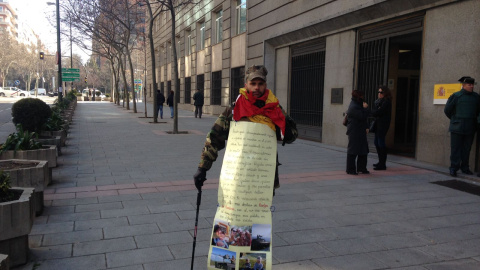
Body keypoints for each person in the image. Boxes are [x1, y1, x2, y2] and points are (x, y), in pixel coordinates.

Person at [193, 65, 298, 193]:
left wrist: (283, 130)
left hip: (264, 175)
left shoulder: (275, 108)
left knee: (261, 211)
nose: (256, 87)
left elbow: (292, 134)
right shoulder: (234, 109)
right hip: (239, 174)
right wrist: (202, 168)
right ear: (246, 84)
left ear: (265, 85)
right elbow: (214, 137)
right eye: (253, 83)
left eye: (260, 83)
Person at [444, 76, 478, 177]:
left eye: (472, 84)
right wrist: (455, 120)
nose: (471, 86)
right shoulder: (456, 96)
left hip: (470, 127)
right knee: (455, 148)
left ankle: (465, 167)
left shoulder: (476, 97)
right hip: (457, 127)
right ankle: (454, 168)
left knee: (467, 149)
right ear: (463, 85)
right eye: (469, 85)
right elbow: (447, 110)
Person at [346, 90, 370, 175]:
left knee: (363, 150)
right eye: (362, 96)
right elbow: (362, 116)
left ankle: (362, 168)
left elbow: (363, 119)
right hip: (354, 131)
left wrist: (366, 126)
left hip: (360, 131)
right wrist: (366, 108)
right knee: (353, 151)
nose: (363, 97)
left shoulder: (358, 104)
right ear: (358, 97)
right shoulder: (354, 106)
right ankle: (350, 169)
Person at [371, 86, 392, 170]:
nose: (379, 94)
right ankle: (380, 161)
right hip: (377, 125)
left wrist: (373, 112)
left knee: (381, 143)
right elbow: (375, 111)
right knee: (376, 143)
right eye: (378, 92)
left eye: (381, 92)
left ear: (385, 93)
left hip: (382, 125)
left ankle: (382, 164)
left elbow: (378, 112)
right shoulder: (379, 102)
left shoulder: (386, 102)